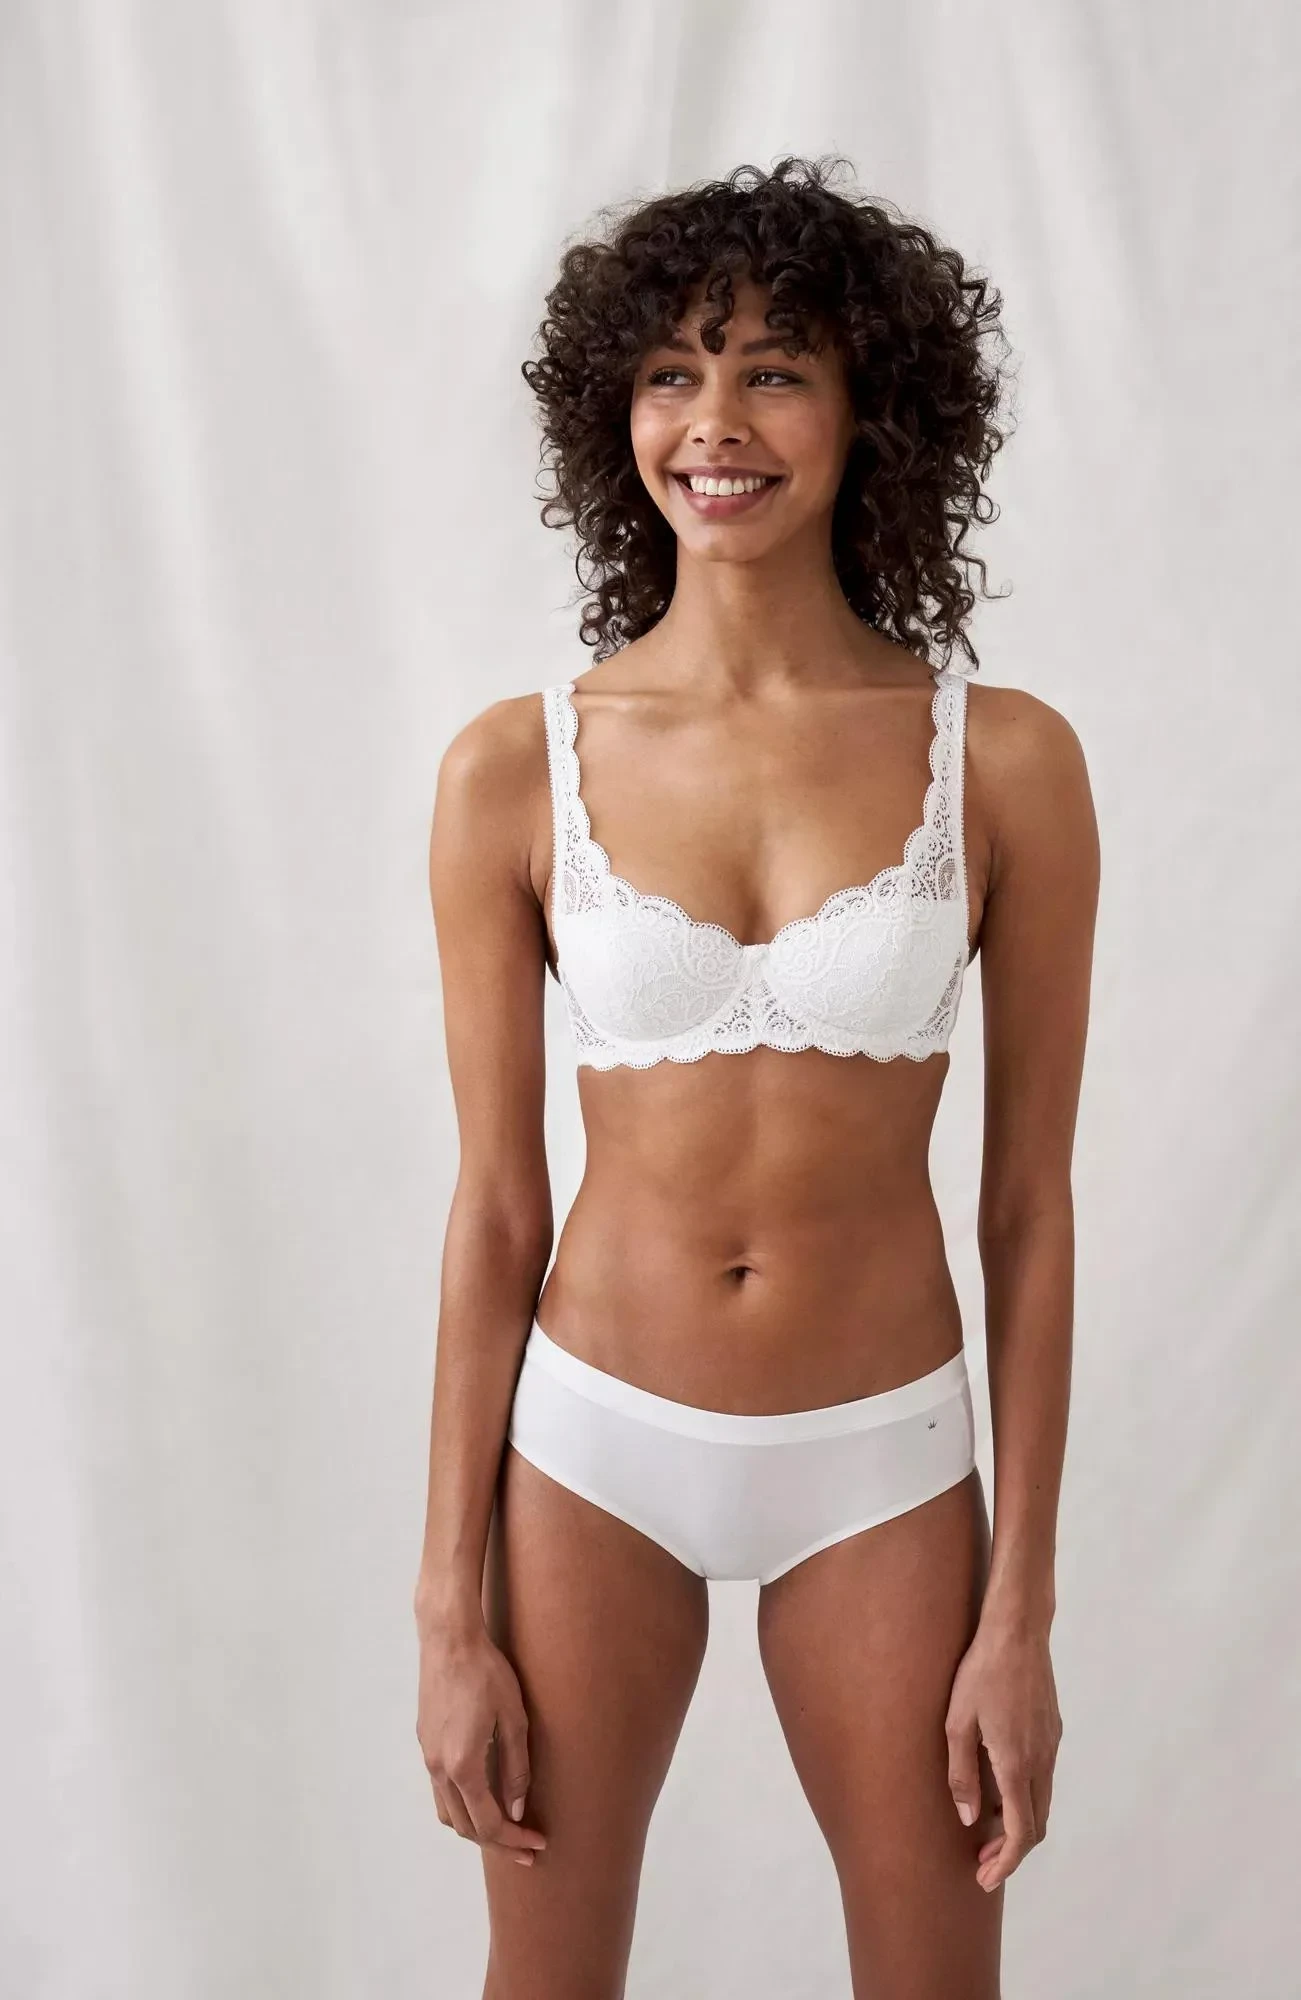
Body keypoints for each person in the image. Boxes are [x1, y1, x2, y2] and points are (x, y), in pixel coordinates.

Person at [415, 155, 1099, 2000]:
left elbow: (1029, 1211)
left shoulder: (1007, 764)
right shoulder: (512, 769)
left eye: (776, 369)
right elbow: (496, 1209)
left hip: (884, 1457)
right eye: (671, 373)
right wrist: (445, 1610)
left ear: (875, 411)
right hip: (593, 1446)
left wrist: (1022, 1610)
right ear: (614, 413)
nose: (714, 423)